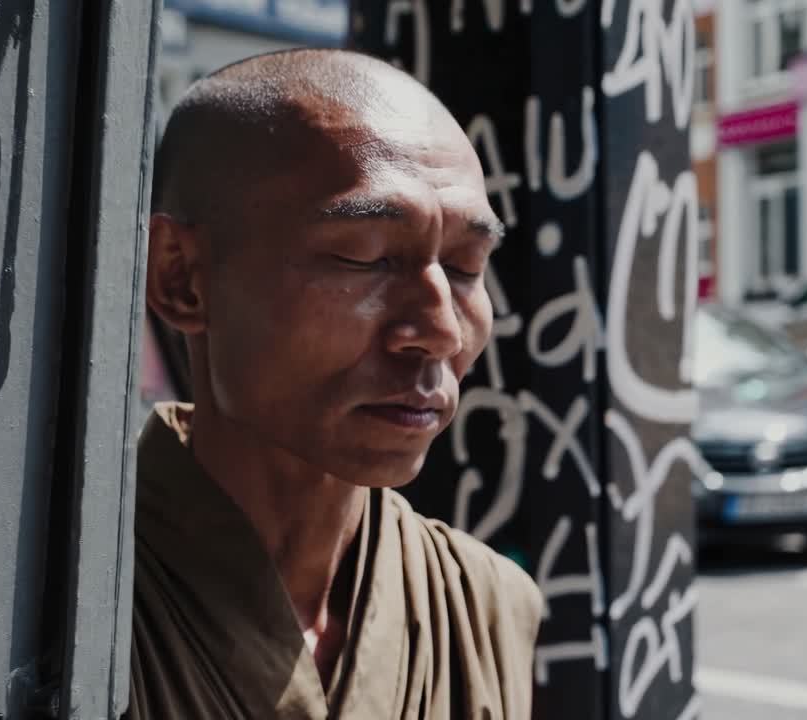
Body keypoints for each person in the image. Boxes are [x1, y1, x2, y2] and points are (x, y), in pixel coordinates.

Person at [129, 48, 542, 720]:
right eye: (367, 256)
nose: (439, 328)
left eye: (467, 268)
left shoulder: (486, 602)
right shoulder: (56, 597)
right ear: (183, 278)